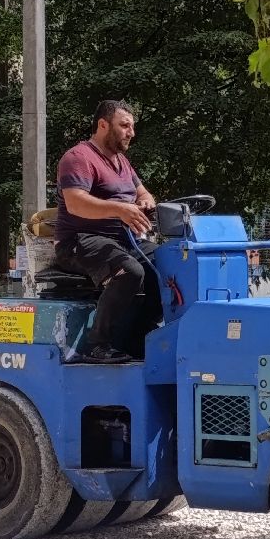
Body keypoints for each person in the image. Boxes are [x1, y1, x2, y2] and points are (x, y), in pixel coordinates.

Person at [53, 100, 159, 363]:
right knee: (131, 271)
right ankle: (98, 345)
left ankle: (138, 339)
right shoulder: (78, 158)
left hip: (124, 241)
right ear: (103, 125)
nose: (131, 132)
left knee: (169, 267)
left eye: (132, 127)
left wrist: (146, 201)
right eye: (124, 126)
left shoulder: (122, 161)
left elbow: (142, 191)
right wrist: (120, 210)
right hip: (80, 242)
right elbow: (76, 202)